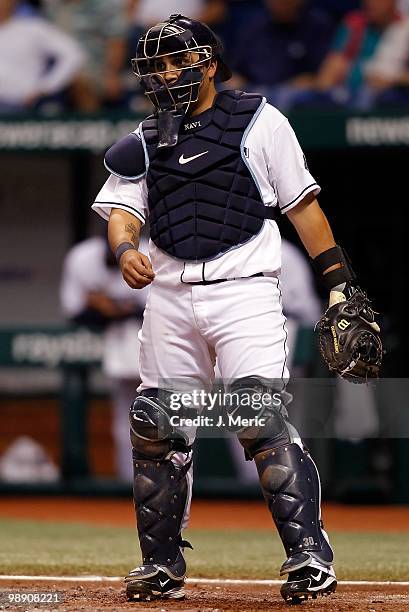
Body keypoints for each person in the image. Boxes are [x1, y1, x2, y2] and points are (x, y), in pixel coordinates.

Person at [92, 14, 377, 604]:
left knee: (257, 416)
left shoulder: (260, 120)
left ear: (209, 64)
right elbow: (123, 209)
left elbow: (303, 206)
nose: (167, 74)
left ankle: (308, 554)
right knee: (155, 426)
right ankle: (161, 564)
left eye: (178, 61)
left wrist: (339, 284)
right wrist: (123, 249)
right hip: (168, 296)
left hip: (244, 288)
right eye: (156, 66)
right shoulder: (143, 140)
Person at [60, 235, 148, 481]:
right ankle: (128, 481)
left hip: (157, 345)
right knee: (125, 420)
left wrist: (110, 306)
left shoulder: (150, 251)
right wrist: (106, 308)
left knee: (165, 419)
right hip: (118, 345)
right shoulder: (83, 257)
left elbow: (156, 309)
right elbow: (73, 310)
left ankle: (168, 481)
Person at [231, 0, 334, 110]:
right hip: (255, 88)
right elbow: (237, 70)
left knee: (283, 96)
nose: (279, 4)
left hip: (293, 92)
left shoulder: (317, 25)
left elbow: (323, 74)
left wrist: (311, 81)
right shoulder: (253, 26)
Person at [312, 0, 401, 107]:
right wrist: (323, 87)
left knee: (366, 95)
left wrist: (392, 79)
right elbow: (333, 64)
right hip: (348, 90)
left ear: (393, 2)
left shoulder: (404, 26)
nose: (370, 3)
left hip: (388, 93)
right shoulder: (355, 24)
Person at [0, 0, 84, 113]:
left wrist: (47, 87)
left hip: (22, 106)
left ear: (13, 2)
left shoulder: (33, 28)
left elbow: (73, 54)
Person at [44, 0, 129, 111]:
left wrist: (112, 74)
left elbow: (117, 41)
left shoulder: (105, 6)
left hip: (95, 70)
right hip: (57, 69)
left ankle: (91, 122)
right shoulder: (52, 8)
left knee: (78, 80)